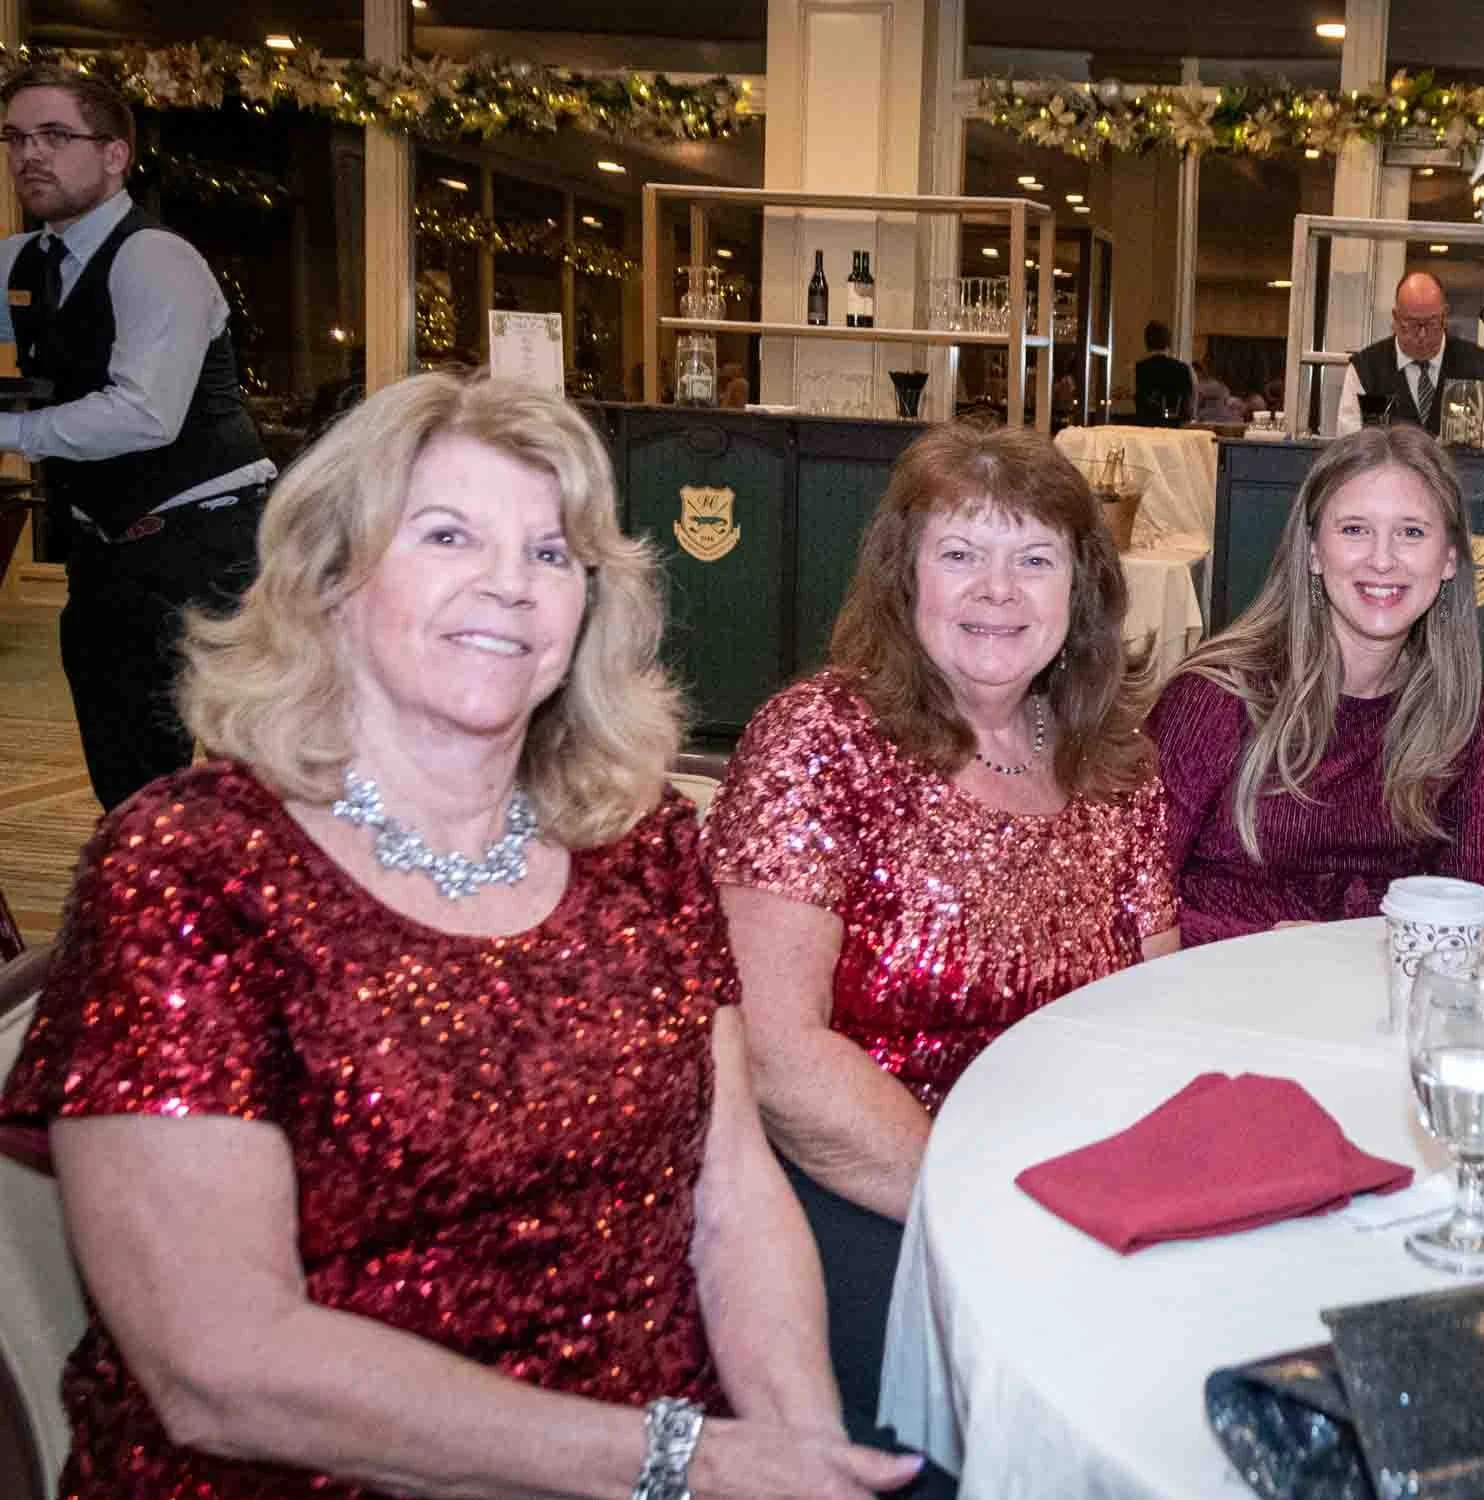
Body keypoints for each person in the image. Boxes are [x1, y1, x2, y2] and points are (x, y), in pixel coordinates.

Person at [0, 372, 929, 1500]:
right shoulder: (191, 870)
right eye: (447, 534)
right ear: (331, 579)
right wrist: (680, 1465)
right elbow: (220, 1363)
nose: (509, 585)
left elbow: (730, 1193)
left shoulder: (640, 846)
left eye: (550, 554)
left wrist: (802, 1449)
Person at [702, 423, 1179, 1429]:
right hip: (861, 1194)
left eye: (1032, 559)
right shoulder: (818, 740)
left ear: (1081, 590)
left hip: (1068, 1189)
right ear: (900, 579)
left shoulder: (1113, 761)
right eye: (959, 555)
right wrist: (985, 1206)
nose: (995, 592)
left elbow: (1153, 1009)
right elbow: (777, 1055)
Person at [0, 66, 275, 813]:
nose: (31, 155)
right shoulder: (24, 262)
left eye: (56, 136)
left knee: (247, 788)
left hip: (210, 550)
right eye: (17, 137)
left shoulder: (154, 258)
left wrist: (11, 429)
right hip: (105, 550)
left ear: (116, 155)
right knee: (130, 784)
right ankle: (141, 921)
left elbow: (143, 414)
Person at [1148, 425, 1484, 946]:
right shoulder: (1219, 694)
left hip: (1384, 999)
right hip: (1219, 992)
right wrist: (1279, 947)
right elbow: (1132, 895)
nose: (1382, 559)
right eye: (1355, 530)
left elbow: (1476, 899)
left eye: (1411, 532)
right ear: (1314, 551)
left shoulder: (1464, 713)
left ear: (1450, 558)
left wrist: (1347, 951)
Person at [1333, 271, 1484, 445]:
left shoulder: (1478, 364)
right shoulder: (1365, 368)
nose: (1421, 334)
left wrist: (1476, 436)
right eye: (1411, 324)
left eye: (1431, 323)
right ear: (1395, 317)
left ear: (1445, 316)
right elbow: (1348, 437)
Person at [1133, 318, 1193, 426]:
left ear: (1146, 342)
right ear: (1168, 342)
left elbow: (1136, 401)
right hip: (1174, 428)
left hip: (1146, 427)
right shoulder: (1182, 368)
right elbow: (1188, 405)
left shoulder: (1139, 368)